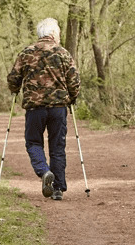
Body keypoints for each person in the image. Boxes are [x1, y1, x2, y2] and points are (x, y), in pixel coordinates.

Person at [7, 18, 80, 201]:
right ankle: (58, 189)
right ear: (53, 34)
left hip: (35, 108)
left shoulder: (26, 53)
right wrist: (72, 98)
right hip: (58, 108)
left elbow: (13, 78)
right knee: (57, 147)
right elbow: (74, 80)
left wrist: (15, 89)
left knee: (33, 143)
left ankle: (44, 171)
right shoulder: (63, 53)